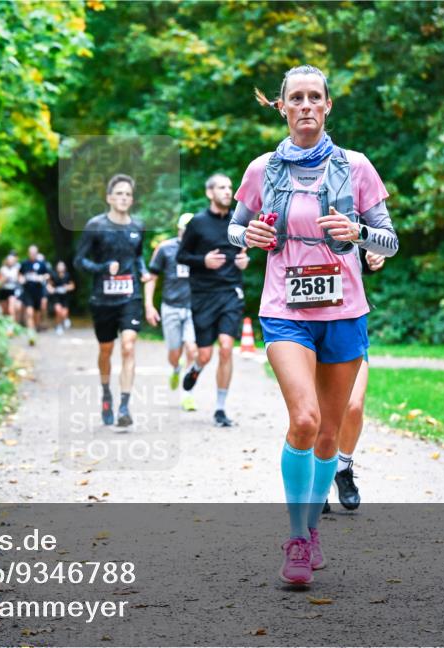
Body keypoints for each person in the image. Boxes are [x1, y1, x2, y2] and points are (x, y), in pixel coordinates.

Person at [228, 65, 398, 585]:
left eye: (314, 97)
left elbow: (389, 241)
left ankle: (313, 527)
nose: (305, 105)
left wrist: (361, 231)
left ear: (327, 106)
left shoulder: (357, 166)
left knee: (329, 432)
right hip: (284, 309)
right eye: (295, 98)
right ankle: (298, 537)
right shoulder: (262, 169)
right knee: (303, 420)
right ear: (281, 107)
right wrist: (249, 237)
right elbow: (234, 230)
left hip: (344, 312)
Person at [74, 174, 151, 427]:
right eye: (119, 193)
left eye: (128, 194)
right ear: (109, 197)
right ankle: (106, 393)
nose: (124, 198)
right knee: (106, 350)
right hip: (102, 298)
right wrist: (104, 267)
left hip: (130, 296)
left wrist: (143, 270)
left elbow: (138, 256)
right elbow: (80, 261)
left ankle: (124, 406)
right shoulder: (95, 225)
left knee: (128, 345)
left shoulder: (137, 227)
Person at [176, 173, 250, 427]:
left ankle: (220, 409)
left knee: (227, 347)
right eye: (221, 187)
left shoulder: (238, 222)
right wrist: (203, 261)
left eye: (230, 187)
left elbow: (243, 252)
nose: (228, 191)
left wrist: (244, 261)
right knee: (205, 355)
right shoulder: (197, 223)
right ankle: (196, 368)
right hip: (203, 295)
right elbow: (181, 256)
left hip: (230, 292)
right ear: (210, 193)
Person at [323, 248, 387, 513]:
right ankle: (318, 482)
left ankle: (342, 467)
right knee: (317, 413)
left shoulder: (349, 206)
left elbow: (365, 245)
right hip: (303, 323)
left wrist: (372, 258)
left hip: (347, 319)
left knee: (354, 406)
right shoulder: (292, 207)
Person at [144, 213, 199, 412]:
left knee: (193, 350)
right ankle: (176, 368)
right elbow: (152, 277)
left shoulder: (202, 250)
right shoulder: (165, 249)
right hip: (171, 307)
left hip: (194, 308)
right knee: (174, 353)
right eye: (187, 229)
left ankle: (188, 394)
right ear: (179, 229)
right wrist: (149, 306)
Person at [18, 244, 49, 340]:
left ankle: (36, 327)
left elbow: (47, 275)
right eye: (31, 253)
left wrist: (41, 278)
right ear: (28, 253)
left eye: (34, 253)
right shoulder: (24, 263)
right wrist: (21, 279)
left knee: (37, 312)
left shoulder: (41, 264)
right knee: (29, 312)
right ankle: (31, 333)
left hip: (38, 292)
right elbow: (19, 274)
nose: (33, 254)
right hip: (28, 292)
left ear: (37, 253)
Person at [49, 260, 75, 334]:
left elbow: (72, 286)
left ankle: (65, 320)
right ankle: (58, 326)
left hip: (65, 297)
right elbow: (49, 285)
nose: (61, 267)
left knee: (64, 313)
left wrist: (67, 287)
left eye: (62, 266)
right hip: (56, 297)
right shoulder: (53, 275)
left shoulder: (68, 275)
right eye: (59, 266)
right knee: (58, 311)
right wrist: (52, 289)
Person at [0, 252, 21, 323]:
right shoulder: (2, 269)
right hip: (3, 290)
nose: (10, 262)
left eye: (12, 260)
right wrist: (5, 279)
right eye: (9, 260)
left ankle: (12, 325)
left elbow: (19, 279)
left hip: (12, 290)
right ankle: (5, 324)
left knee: (11, 309)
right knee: (4, 310)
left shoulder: (17, 269)